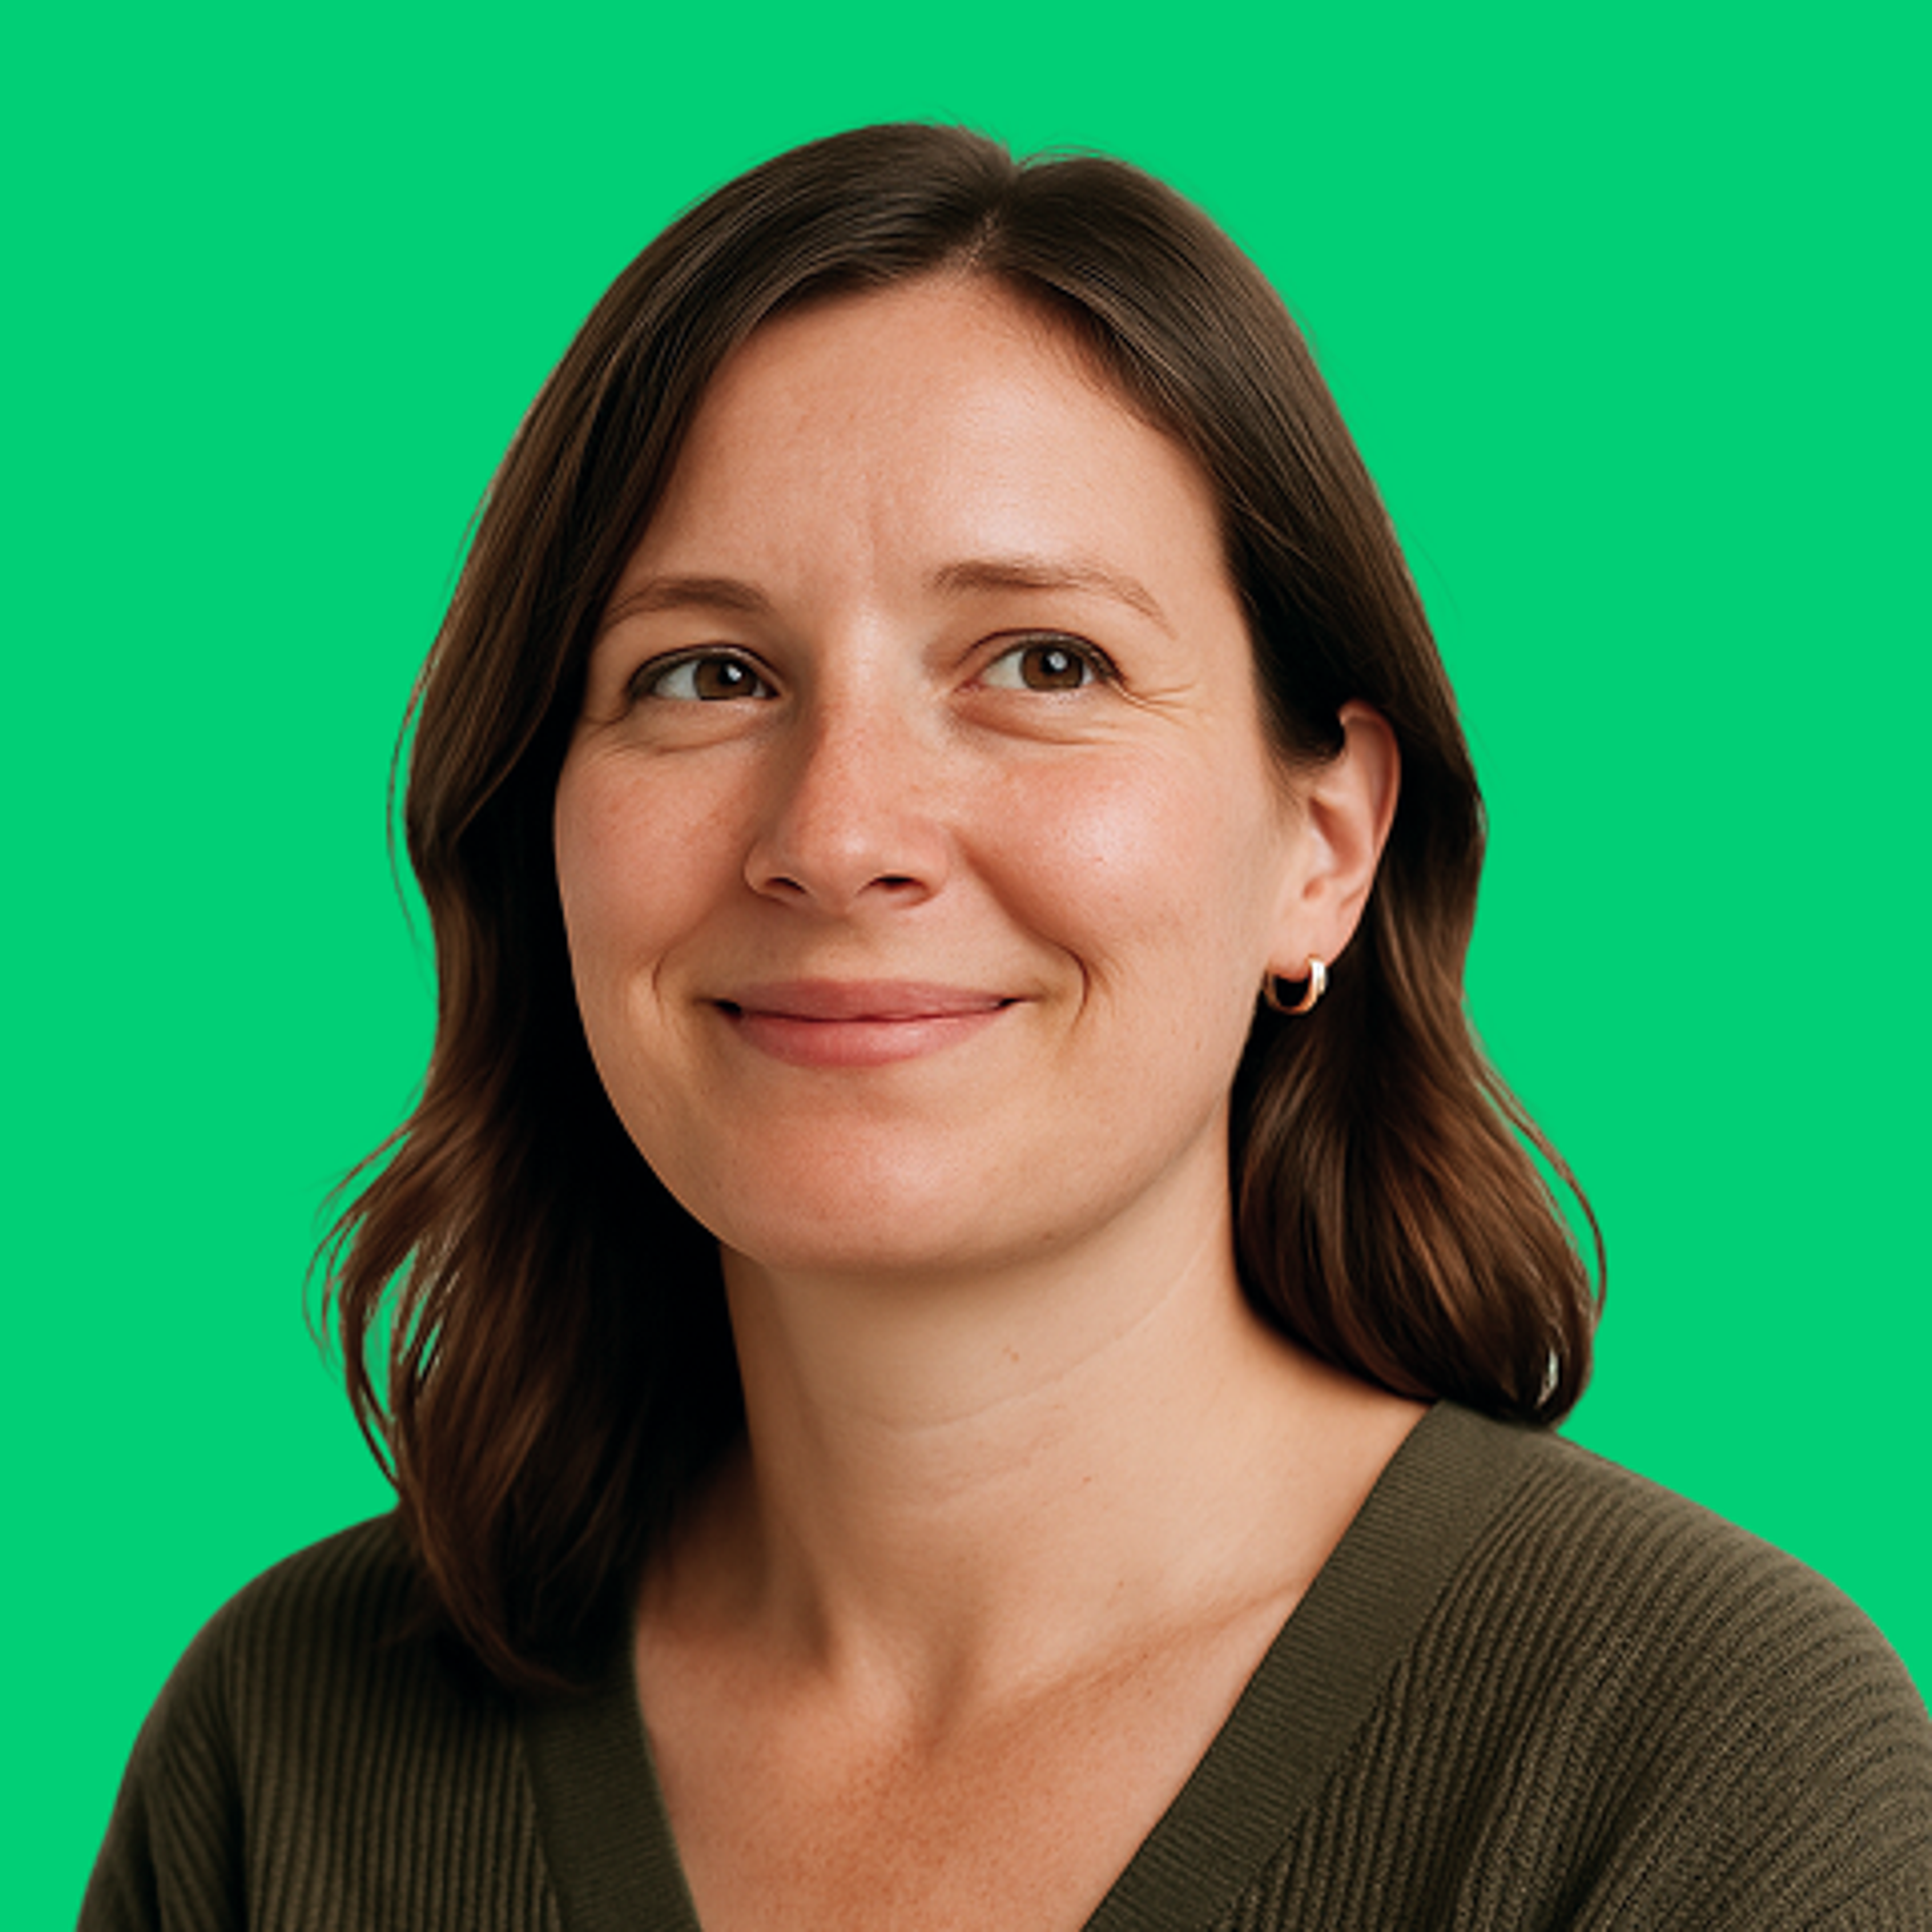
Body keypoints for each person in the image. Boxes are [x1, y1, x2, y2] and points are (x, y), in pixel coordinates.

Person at [83, 123, 1932, 1931]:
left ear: (1325, 843)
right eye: (706, 674)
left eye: (1047, 662)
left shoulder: (1709, 1767)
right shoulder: (282, 1748)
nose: (837, 836)